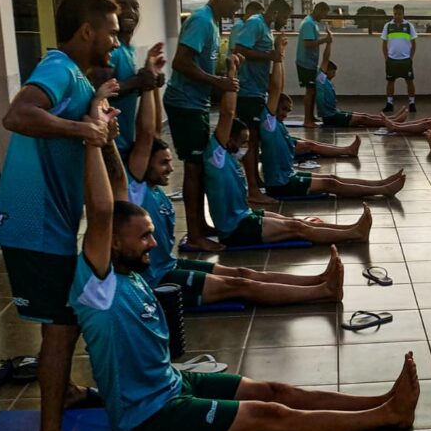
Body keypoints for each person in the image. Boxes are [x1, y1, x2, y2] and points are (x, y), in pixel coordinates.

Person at [70, 94, 419, 431]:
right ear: (109, 241)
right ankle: (388, 416)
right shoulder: (99, 287)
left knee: (274, 391)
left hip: (173, 383)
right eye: (144, 237)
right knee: (270, 415)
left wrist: (107, 139)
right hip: (149, 419)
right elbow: (102, 209)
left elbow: (117, 187)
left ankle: (381, 401)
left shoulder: (129, 268)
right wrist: (92, 139)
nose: (154, 243)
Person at [0, 0, 121, 431]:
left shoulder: (77, 78)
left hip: (49, 221)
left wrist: (97, 120)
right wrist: (83, 131)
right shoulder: (58, 68)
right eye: (110, 32)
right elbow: (17, 114)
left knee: (63, 321)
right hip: (33, 221)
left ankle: (64, 392)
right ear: (87, 31)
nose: (116, 41)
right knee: (61, 330)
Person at [120, 43, 345, 307]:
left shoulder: (159, 186)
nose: (170, 168)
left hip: (169, 264)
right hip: (157, 279)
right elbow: (149, 133)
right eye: (163, 164)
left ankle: (319, 280)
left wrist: (153, 84)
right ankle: (323, 291)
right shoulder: (142, 186)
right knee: (241, 285)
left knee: (243, 273)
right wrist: (230, 75)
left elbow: (155, 134)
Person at [206, 52, 377, 246]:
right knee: (298, 226)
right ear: (228, 141)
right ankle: (355, 233)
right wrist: (232, 72)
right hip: (237, 227)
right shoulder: (217, 156)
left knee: (297, 221)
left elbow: (276, 89)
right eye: (243, 142)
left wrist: (277, 58)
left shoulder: (230, 157)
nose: (248, 147)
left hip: (244, 215)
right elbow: (228, 113)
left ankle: (353, 228)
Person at [259, 41, 407, 199]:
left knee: (332, 178)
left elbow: (278, 89)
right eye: (283, 110)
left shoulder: (278, 125)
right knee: (331, 184)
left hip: (287, 176)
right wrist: (278, 57)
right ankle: (382, 190)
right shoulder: (269, 124)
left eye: (288, 111)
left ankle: (381, 183)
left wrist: (279, 56)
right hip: (282, 184)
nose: (285, 114)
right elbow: (276, 88)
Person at [164, 0, 243, 252]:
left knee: (199, 166)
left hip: (195, 103)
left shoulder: (212, 23)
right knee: (194, 168)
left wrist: (226, 69)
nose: (238, 5)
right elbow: (180, 62)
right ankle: (195, 234)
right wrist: (216, 82)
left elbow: (201, 63)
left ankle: (201, 224)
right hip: (184, 103)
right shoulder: (201, 21)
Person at [232, 0, 287, 206]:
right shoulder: (255, 23)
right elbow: (239, 49)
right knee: (252, 140)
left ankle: (256, 179)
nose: (286, 22)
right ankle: (253, 189)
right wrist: (270, 55)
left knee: (256, 140)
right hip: (248, 91)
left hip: (257, 90)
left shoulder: (265, 28)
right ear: (275, 12)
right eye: (285, 17)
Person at [99, 0, 163, 155]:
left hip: (127, 143)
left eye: (135, 6)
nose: (130, 12)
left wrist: (151, 80)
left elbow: (126, 89)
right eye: (122, 5)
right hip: (111, 147)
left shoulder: (130, 50)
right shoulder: (109, 51)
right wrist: (139, 81)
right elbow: (101, 91)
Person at [315, 33, 408, 129]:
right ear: (327, 71)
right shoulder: (321, 79)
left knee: (364, 115)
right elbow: (325, 59)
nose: (334, 74)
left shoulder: (326, 81)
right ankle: (391, 123)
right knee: (362, 119)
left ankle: (391, 119)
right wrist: (328, 42)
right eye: (333, 72)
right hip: (331, 117)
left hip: (335, 112)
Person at [296, 2, 333, 128]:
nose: (324, 17)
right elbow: (308, 44)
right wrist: (325, 40)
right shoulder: (308, 24)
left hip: (310, 63)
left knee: (313, 90)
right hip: (305, 63)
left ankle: (311, 116)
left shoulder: (312, 23)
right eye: (324, 13)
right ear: (318, 10)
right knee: (310, 90)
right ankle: (307, 120)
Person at [382, 4, 417, 113]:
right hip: (392, 60)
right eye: (395, 14)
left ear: (403, 14)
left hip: (405, 60)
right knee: (390, 82)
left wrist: (410, 57)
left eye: (399, 14)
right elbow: (384, 43)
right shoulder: (388, 26)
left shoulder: (409, 26)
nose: (397, 16)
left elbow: (414, 43)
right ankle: (389, 103)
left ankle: (412, 103)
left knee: (409, 81)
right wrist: (386, 58)